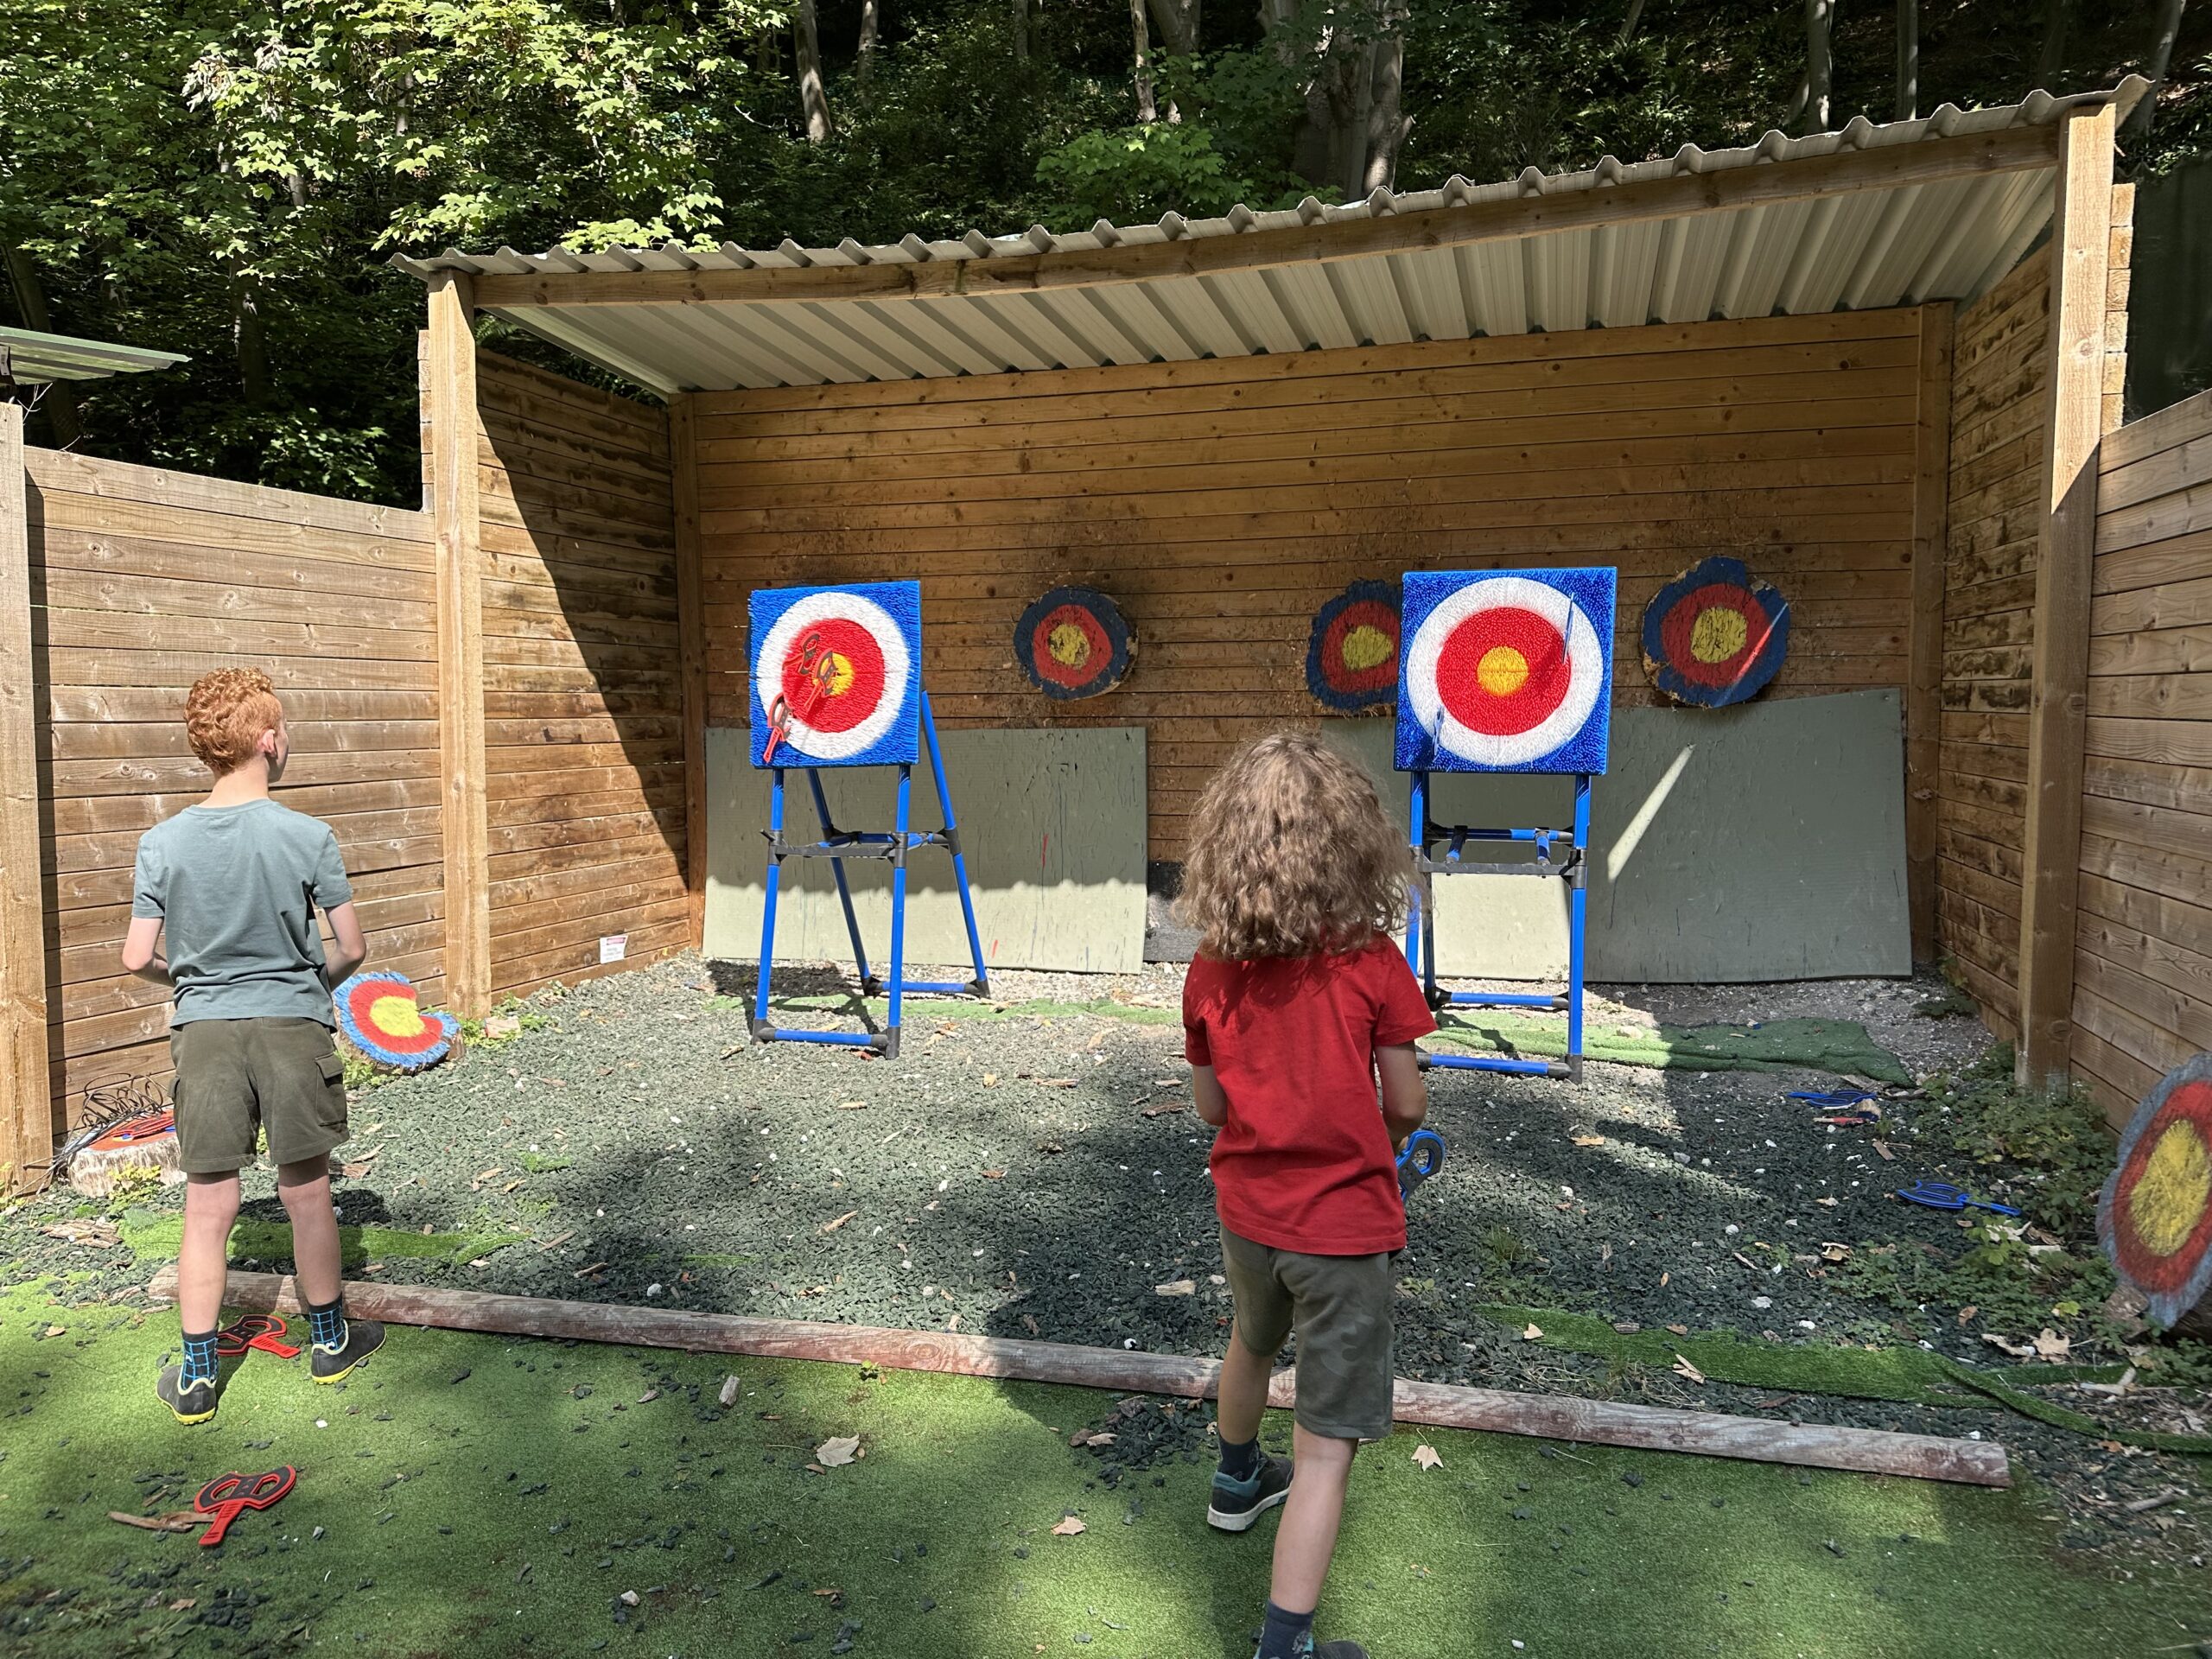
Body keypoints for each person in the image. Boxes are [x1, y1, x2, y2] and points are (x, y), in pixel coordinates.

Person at [1178, 730, 1434, 1659]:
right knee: (1327, 1448)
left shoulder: (1210, 965)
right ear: (1353, 846)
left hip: (1248, 1214)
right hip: (1344, 1232)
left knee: (1250, 1338)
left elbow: (1213, 1105)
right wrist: (1382, 1140)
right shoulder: (1370, 962)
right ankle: (1283, 1646)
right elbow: (1404, 1101)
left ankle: (1236, 1481)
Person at [123, 667, 383, 1423]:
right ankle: (331, 1343)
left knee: (208, 1204)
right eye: (286, 727)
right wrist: (304, 985)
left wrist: (195, 986)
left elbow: (137, 956)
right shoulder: (307, 835)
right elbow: (353, 947)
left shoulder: (161, 842)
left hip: (202, 1032)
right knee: (307, 1192)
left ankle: (199, 1377)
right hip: (291, 1024)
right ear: (269, 741)